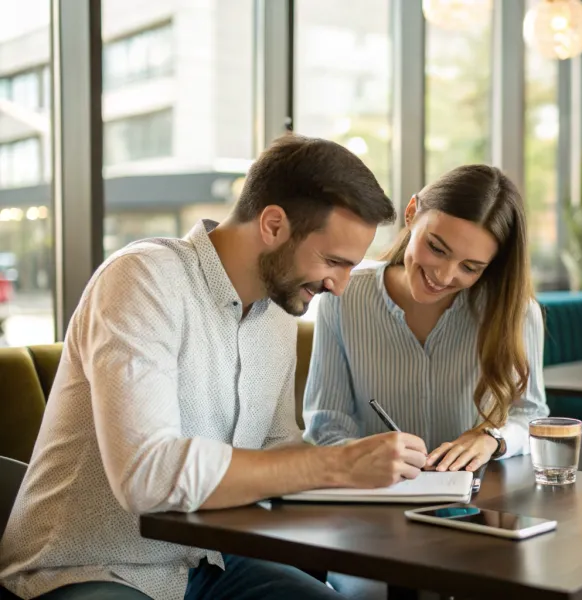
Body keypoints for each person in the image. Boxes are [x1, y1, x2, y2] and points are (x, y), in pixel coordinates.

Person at [0, 134, 429, 600]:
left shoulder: (281, 311)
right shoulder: (143, 279)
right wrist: (335, 465)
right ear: (272, 224)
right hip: (87, 569)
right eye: (332, 261)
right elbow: (148, 476)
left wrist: (374, 489)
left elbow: (275, 449)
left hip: (205, 561)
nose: (340, 286)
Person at [303, 164, 548, 473]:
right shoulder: (344, 297)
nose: (444, 276)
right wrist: (363, 457)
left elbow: (531, 417)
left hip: (479, 504)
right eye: (436, 248)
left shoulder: (518, 313)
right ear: (411, 213)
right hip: (375, 499)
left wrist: (492, 439)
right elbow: (326, 425)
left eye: (470, 267)